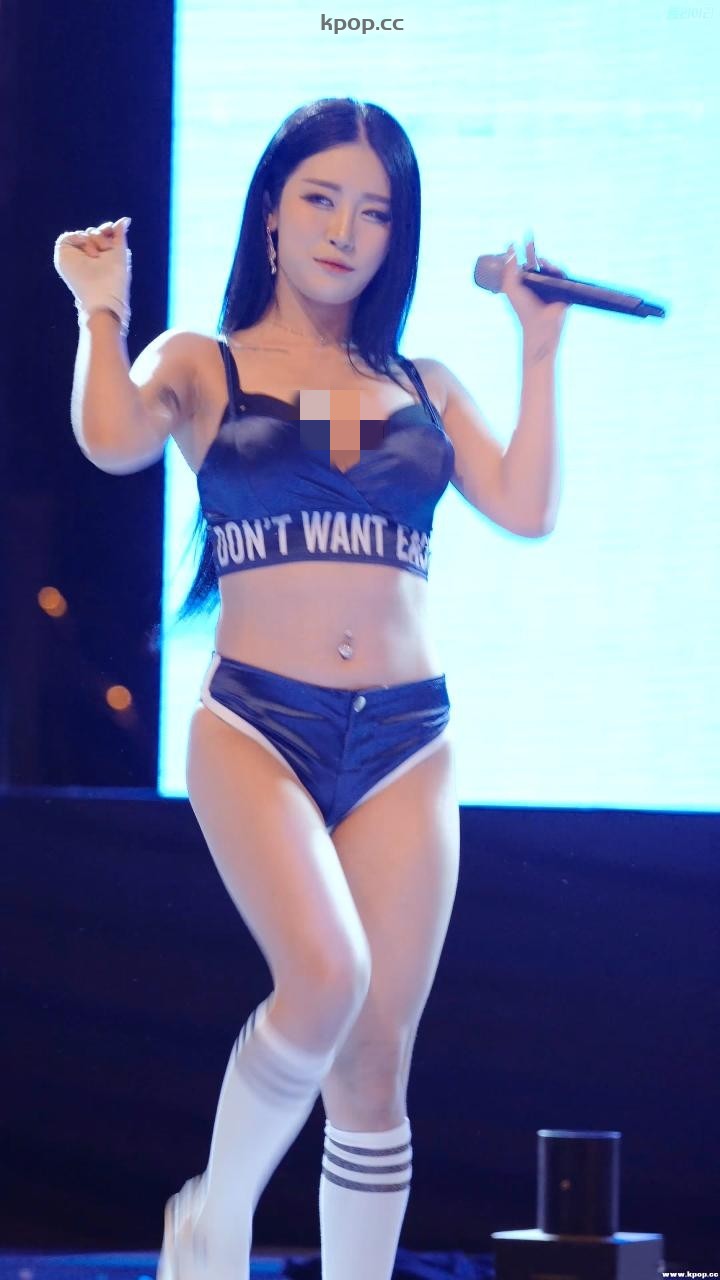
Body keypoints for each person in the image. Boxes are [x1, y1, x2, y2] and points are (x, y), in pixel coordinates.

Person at [54, 97, 567, 1280]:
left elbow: (528, 506)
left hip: (407, 739)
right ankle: (214, 1218)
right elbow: (112, 438)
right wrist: (101, 308)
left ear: (399, 235)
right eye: (321, 199)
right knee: (326, 976)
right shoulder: (205, 360)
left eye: (375, 212)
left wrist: (538, 349)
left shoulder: (422, 384)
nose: (346, 231)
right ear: (272, 216)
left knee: (375, 1066)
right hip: (256, 727)